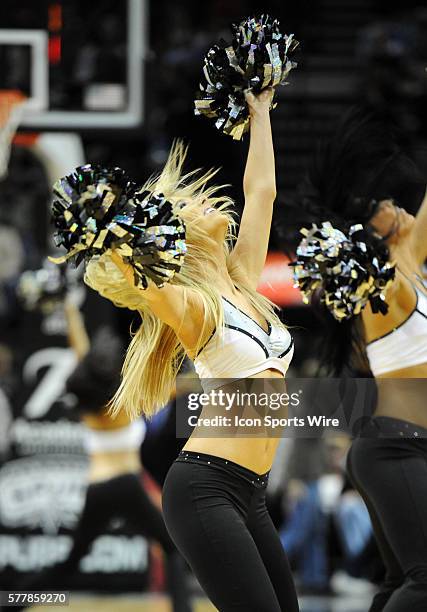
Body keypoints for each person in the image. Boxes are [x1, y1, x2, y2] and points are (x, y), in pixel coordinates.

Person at [83, 88, 300, 612]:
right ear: (180, 239)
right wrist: (115, 234)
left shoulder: (244, 280)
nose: (211, 200)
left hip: (252, 493)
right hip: (207, 488)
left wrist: (262, 112)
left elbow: (263, 191)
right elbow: (149, 286)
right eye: (196, 206)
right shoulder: (195, 306)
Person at [287, 106, 427, 612]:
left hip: (404, 447)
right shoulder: (386, 292)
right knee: (423, 582)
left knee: (397, 584)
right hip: (396, 450)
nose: (402, 208)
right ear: (373, 230)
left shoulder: (410, 272)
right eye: (388, 204)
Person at [14, 299, 193, 612]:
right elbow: (179, 387)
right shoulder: (124, 403)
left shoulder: (90, 402)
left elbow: (80, 349)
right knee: (172, 548)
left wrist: (70, 310)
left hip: (96, 489)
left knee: (70, 563)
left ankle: (11, 603)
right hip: (126, 484)